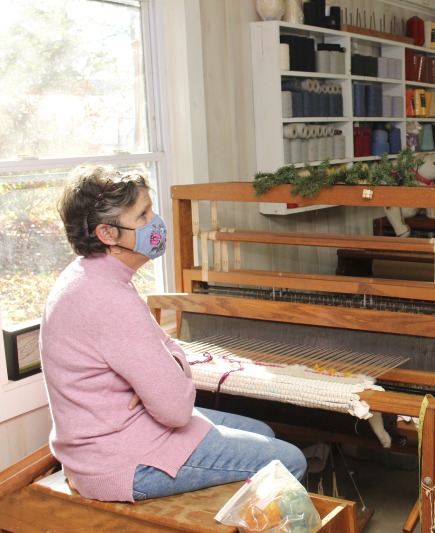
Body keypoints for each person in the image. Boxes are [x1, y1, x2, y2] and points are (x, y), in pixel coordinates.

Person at [40, 164, 306, 502]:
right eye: (143, 214)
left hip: (113, 438)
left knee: (262, 432)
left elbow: (163, 349)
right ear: (108, 234)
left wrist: (164, 367)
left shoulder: (88, 277)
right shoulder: (109, 300)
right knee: (288, 461)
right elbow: (176, 410)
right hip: (122, 460)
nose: (155, 221)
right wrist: (170, 368)